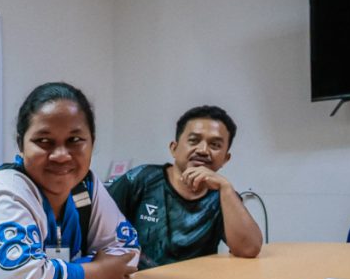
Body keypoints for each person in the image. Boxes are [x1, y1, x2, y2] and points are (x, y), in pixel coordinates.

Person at [0, 82, 139, 279]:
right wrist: (99, 272)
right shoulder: (5, 189)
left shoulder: (86, 187)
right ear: (21, 145)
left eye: (75, 141)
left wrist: (56, 275)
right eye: (44, 141)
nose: (61, 155)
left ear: (92, 143)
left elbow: (127, 254)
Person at [106, 105, 262, 268]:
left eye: (215, 145)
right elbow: (95, 229)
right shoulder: (141, 179)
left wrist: (226, 187)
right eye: (194, 140)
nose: (202, 150)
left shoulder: (223, 196)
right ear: (174, 148)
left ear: (225, 158)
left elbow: (249, 249)